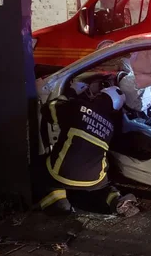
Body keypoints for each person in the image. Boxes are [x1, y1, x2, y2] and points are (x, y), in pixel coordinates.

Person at [37, 82, 139, 217]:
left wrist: (71, 93)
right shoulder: (111, 126)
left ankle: (59, 204)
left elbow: (47, 110)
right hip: (93, 181)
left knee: (40, 172)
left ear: (98, 96)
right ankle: (116, 200)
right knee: (105, 185)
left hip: (61, 174)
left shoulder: (78, 107)